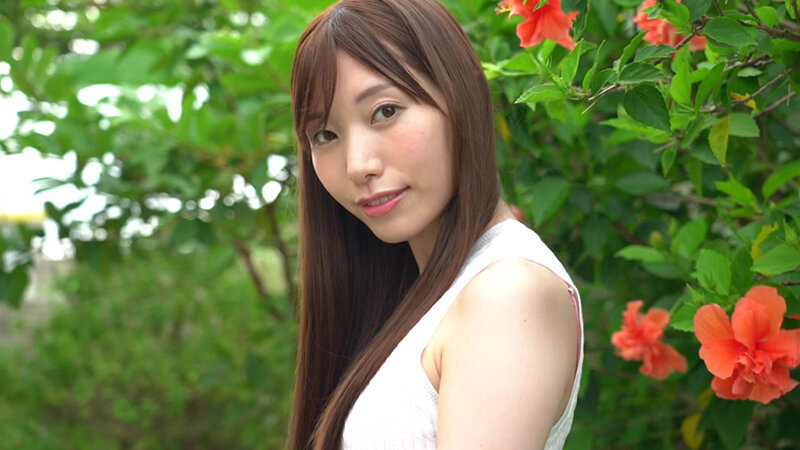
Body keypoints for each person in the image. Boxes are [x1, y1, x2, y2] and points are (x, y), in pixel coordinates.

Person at [288, 0, 583, 448]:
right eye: (325, 135)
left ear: (460, 96)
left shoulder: (507, 294)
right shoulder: (421, 296)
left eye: (385, 111)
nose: (357, 165)